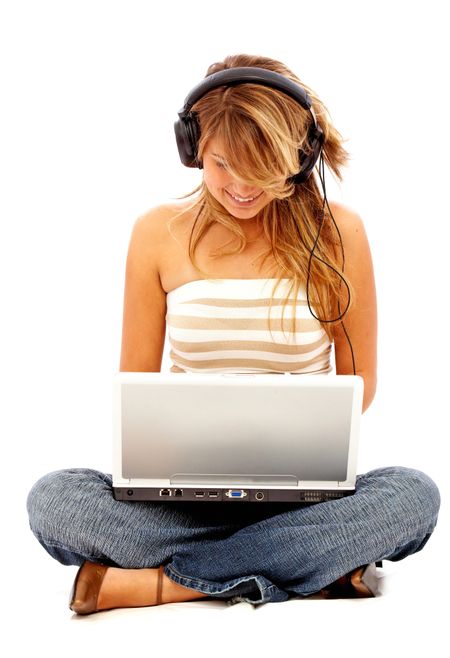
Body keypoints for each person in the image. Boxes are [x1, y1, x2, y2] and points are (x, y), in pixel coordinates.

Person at [26, 53, 440, 615]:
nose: (242, 187)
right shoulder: (156, 233)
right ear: (192, 147)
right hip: (186, 502)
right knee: (56, 500)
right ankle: (308, 567)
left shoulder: (340, 231)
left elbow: (359, 384)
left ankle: (171, 583)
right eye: (223, 164)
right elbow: (137, 388)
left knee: (412, 496)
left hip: (302, 501)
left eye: (263, 167)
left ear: (300, 156)